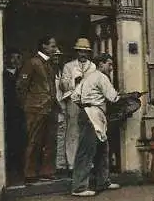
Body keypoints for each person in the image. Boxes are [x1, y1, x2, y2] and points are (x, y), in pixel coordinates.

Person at [70, 53, 140, 197]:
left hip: (90, 113)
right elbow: (113, 98)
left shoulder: (87, 78)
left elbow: (74, 96)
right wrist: (131, 96)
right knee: (86, 151)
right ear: (101, 64)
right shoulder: (102, 77)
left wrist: (85, 105)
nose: (111, 67)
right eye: (109, 64)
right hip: (93, 115)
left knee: (102, 149)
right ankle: (79, 187)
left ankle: (103, 181)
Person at [16, 36, 59, 183]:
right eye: (52, 46)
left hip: (50, 108)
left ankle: (46, 172)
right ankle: (29, 173)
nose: (55, 49)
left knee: (50, 141)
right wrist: (28, 105)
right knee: (33, 141)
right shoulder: (32, 63)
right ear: (44, 46)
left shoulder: (49, 64)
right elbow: (21, 86)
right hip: (35, 109)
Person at [61, 38, 96, 174]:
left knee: (88, 131)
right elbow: (63, 84)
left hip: (88, 101)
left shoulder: (92, 66)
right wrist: (73, 82)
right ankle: (71, 163)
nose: (83, 54)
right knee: (73, 131)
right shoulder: (68, 66)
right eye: (80, 51)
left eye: (85, 51)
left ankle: (88, 162)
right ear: (77, 52)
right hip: (74, 100)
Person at [3, 48, 26, 185]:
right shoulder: (4, 75)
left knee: (21, 139)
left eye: (18, 57)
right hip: (9, 112)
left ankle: (19, 167)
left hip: (20, 112)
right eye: (13, 58)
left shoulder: (22, 74)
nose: (16, 61)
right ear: (7, 59)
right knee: (10, 140)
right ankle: (11, 167)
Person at [51, 47, 68, 176]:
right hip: (53, 108)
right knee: (53, 137)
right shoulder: (48, 71)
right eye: (54, 56)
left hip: (62, 108)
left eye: (58, 56)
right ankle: (54, 166)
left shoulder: (60, 71)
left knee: (62, 137)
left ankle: (61, 165)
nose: (56, 58)